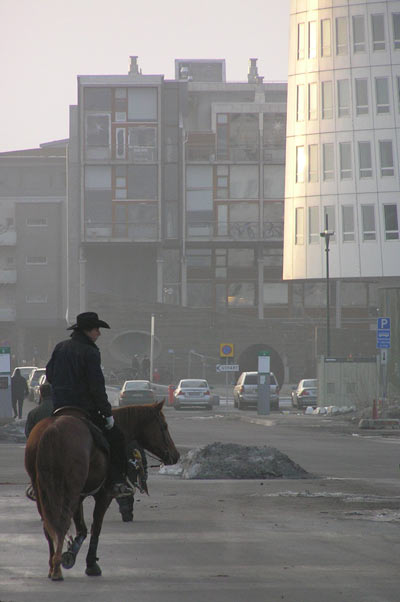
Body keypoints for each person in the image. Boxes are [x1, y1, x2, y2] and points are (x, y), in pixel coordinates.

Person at [46, 311, 133, 498]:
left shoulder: (60, 347)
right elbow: (97, 387)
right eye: (97, 329)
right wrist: (107, 413)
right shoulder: (91, 352)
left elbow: (50, 376)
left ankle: (37, 484)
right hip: (84, 409)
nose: (99, 334)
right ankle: (118, 482)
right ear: (88, 331)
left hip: (59, 408)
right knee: (117, 439)